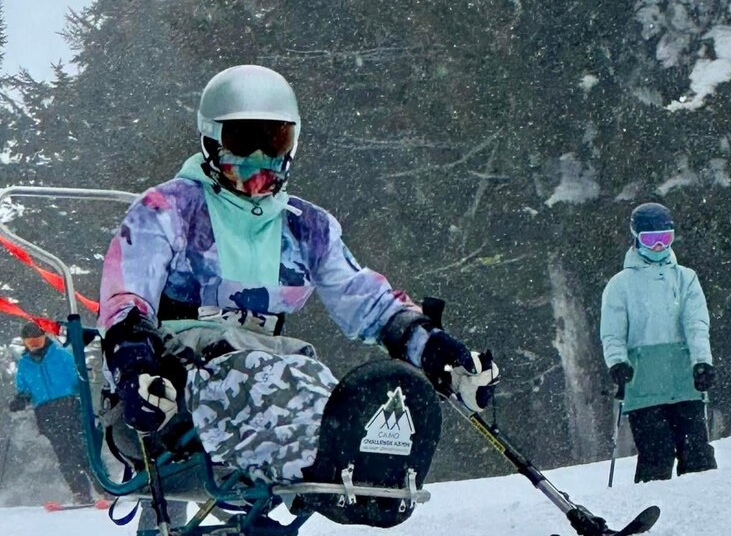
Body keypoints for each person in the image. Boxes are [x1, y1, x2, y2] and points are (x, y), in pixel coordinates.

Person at [97, 64, 498, 491]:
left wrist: (435, 350)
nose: (257, 161)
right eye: (241, 142)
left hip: (277, 363)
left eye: (273, 141)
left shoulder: (306, 227)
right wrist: (133, 359)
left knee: (310, 383)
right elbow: (127, 295)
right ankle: (329, 465)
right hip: (178, 370)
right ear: (211, 141)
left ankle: (364, 462)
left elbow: (365, 302)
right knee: (262, 379)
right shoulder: (168, 209)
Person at [599, 202, 717, 483]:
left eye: (664, 239)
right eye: (650, 240)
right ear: (636, 238)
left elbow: (696, 324)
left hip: (683, 381)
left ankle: (705, 506)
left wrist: (702, 361)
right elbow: (612, 332)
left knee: (696, 454)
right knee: (657, 453)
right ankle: (651, 508)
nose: (657, 247)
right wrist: (617, 362)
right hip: (644, 385)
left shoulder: (685, 278)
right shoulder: (621, 285)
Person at [8, 321, 97, 503]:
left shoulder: (61, 355)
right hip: (46, 412)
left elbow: (78, 376)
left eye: (37, 341)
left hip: (69, 406)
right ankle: (80, 493)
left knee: (82, 448)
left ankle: (104, 488)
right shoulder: (24, 364)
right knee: (64, 454)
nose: (34, 346)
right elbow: (24, 387)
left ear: (44, 338)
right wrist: (21, 399)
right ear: (24, 343)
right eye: (30, 342)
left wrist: (84, 388)